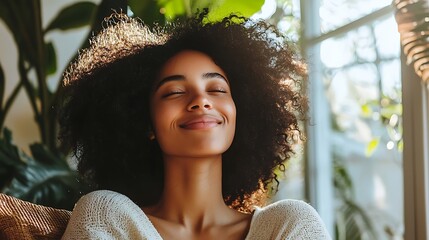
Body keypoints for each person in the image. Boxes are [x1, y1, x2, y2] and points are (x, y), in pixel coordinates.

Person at [60, 11, 331, 240]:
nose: (200, 100)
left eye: (216, 89)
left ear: (242, 114)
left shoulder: (288, 224)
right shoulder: (106, 216)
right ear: (146, 122)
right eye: (174, 92)